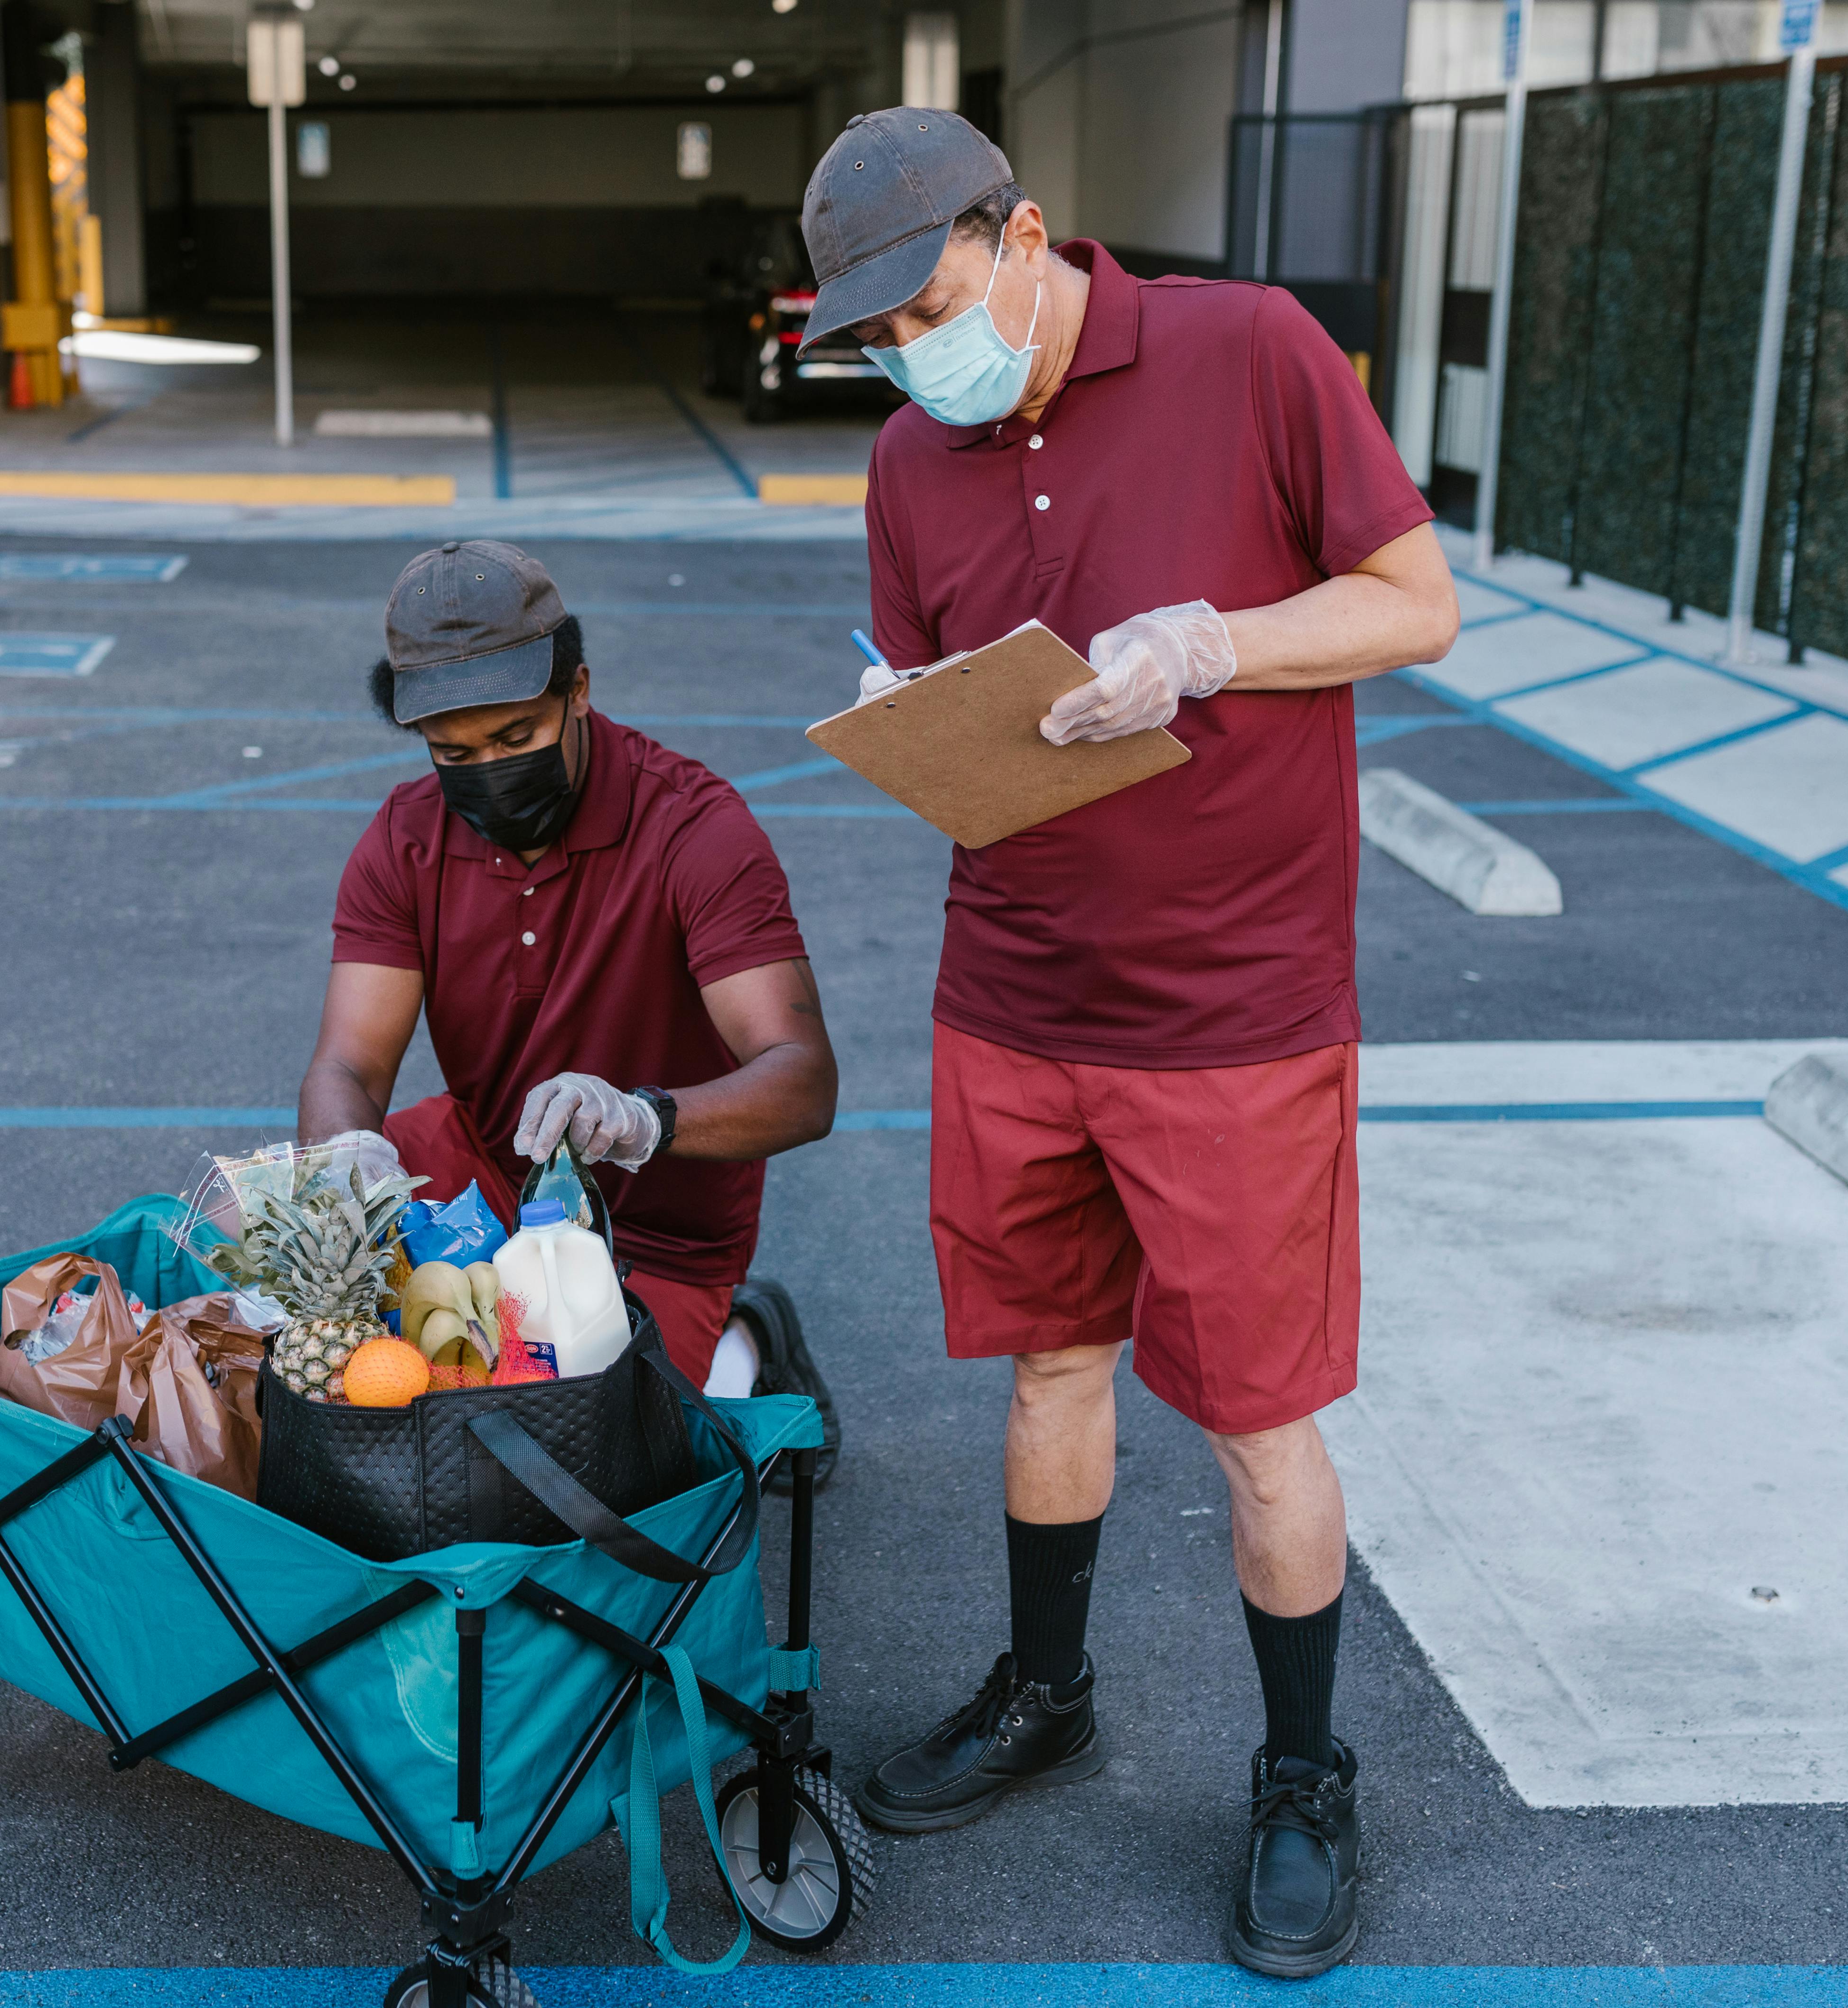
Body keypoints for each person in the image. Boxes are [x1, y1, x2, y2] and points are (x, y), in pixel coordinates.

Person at [799, 112, 1459, 1976]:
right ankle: (1047, 1685)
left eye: (929, 303)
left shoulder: (1252, 351)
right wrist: (903, 712)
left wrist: (1214, 644)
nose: (915, 354)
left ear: (1021, 236)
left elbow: (1420, 603)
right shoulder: (910, 461)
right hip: (1014, 992)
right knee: (1049, 1371)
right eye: (875, 338)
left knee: (1259, 1421)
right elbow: (928, 684)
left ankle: (1306, 1772)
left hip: (1233, 1011)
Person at [297, 539, 843, 1473]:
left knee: (585, 1458)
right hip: (487, 1159)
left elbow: (803, 1082)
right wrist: (343, 1159)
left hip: (662, 1220)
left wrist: (641, 1115)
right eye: (454, 754)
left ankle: (746, 1342)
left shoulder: (695, 829)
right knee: (276, 1311)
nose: (489, 771)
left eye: (517, 738)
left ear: (578, 690)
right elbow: (350, 1063)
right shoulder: (405, 838)